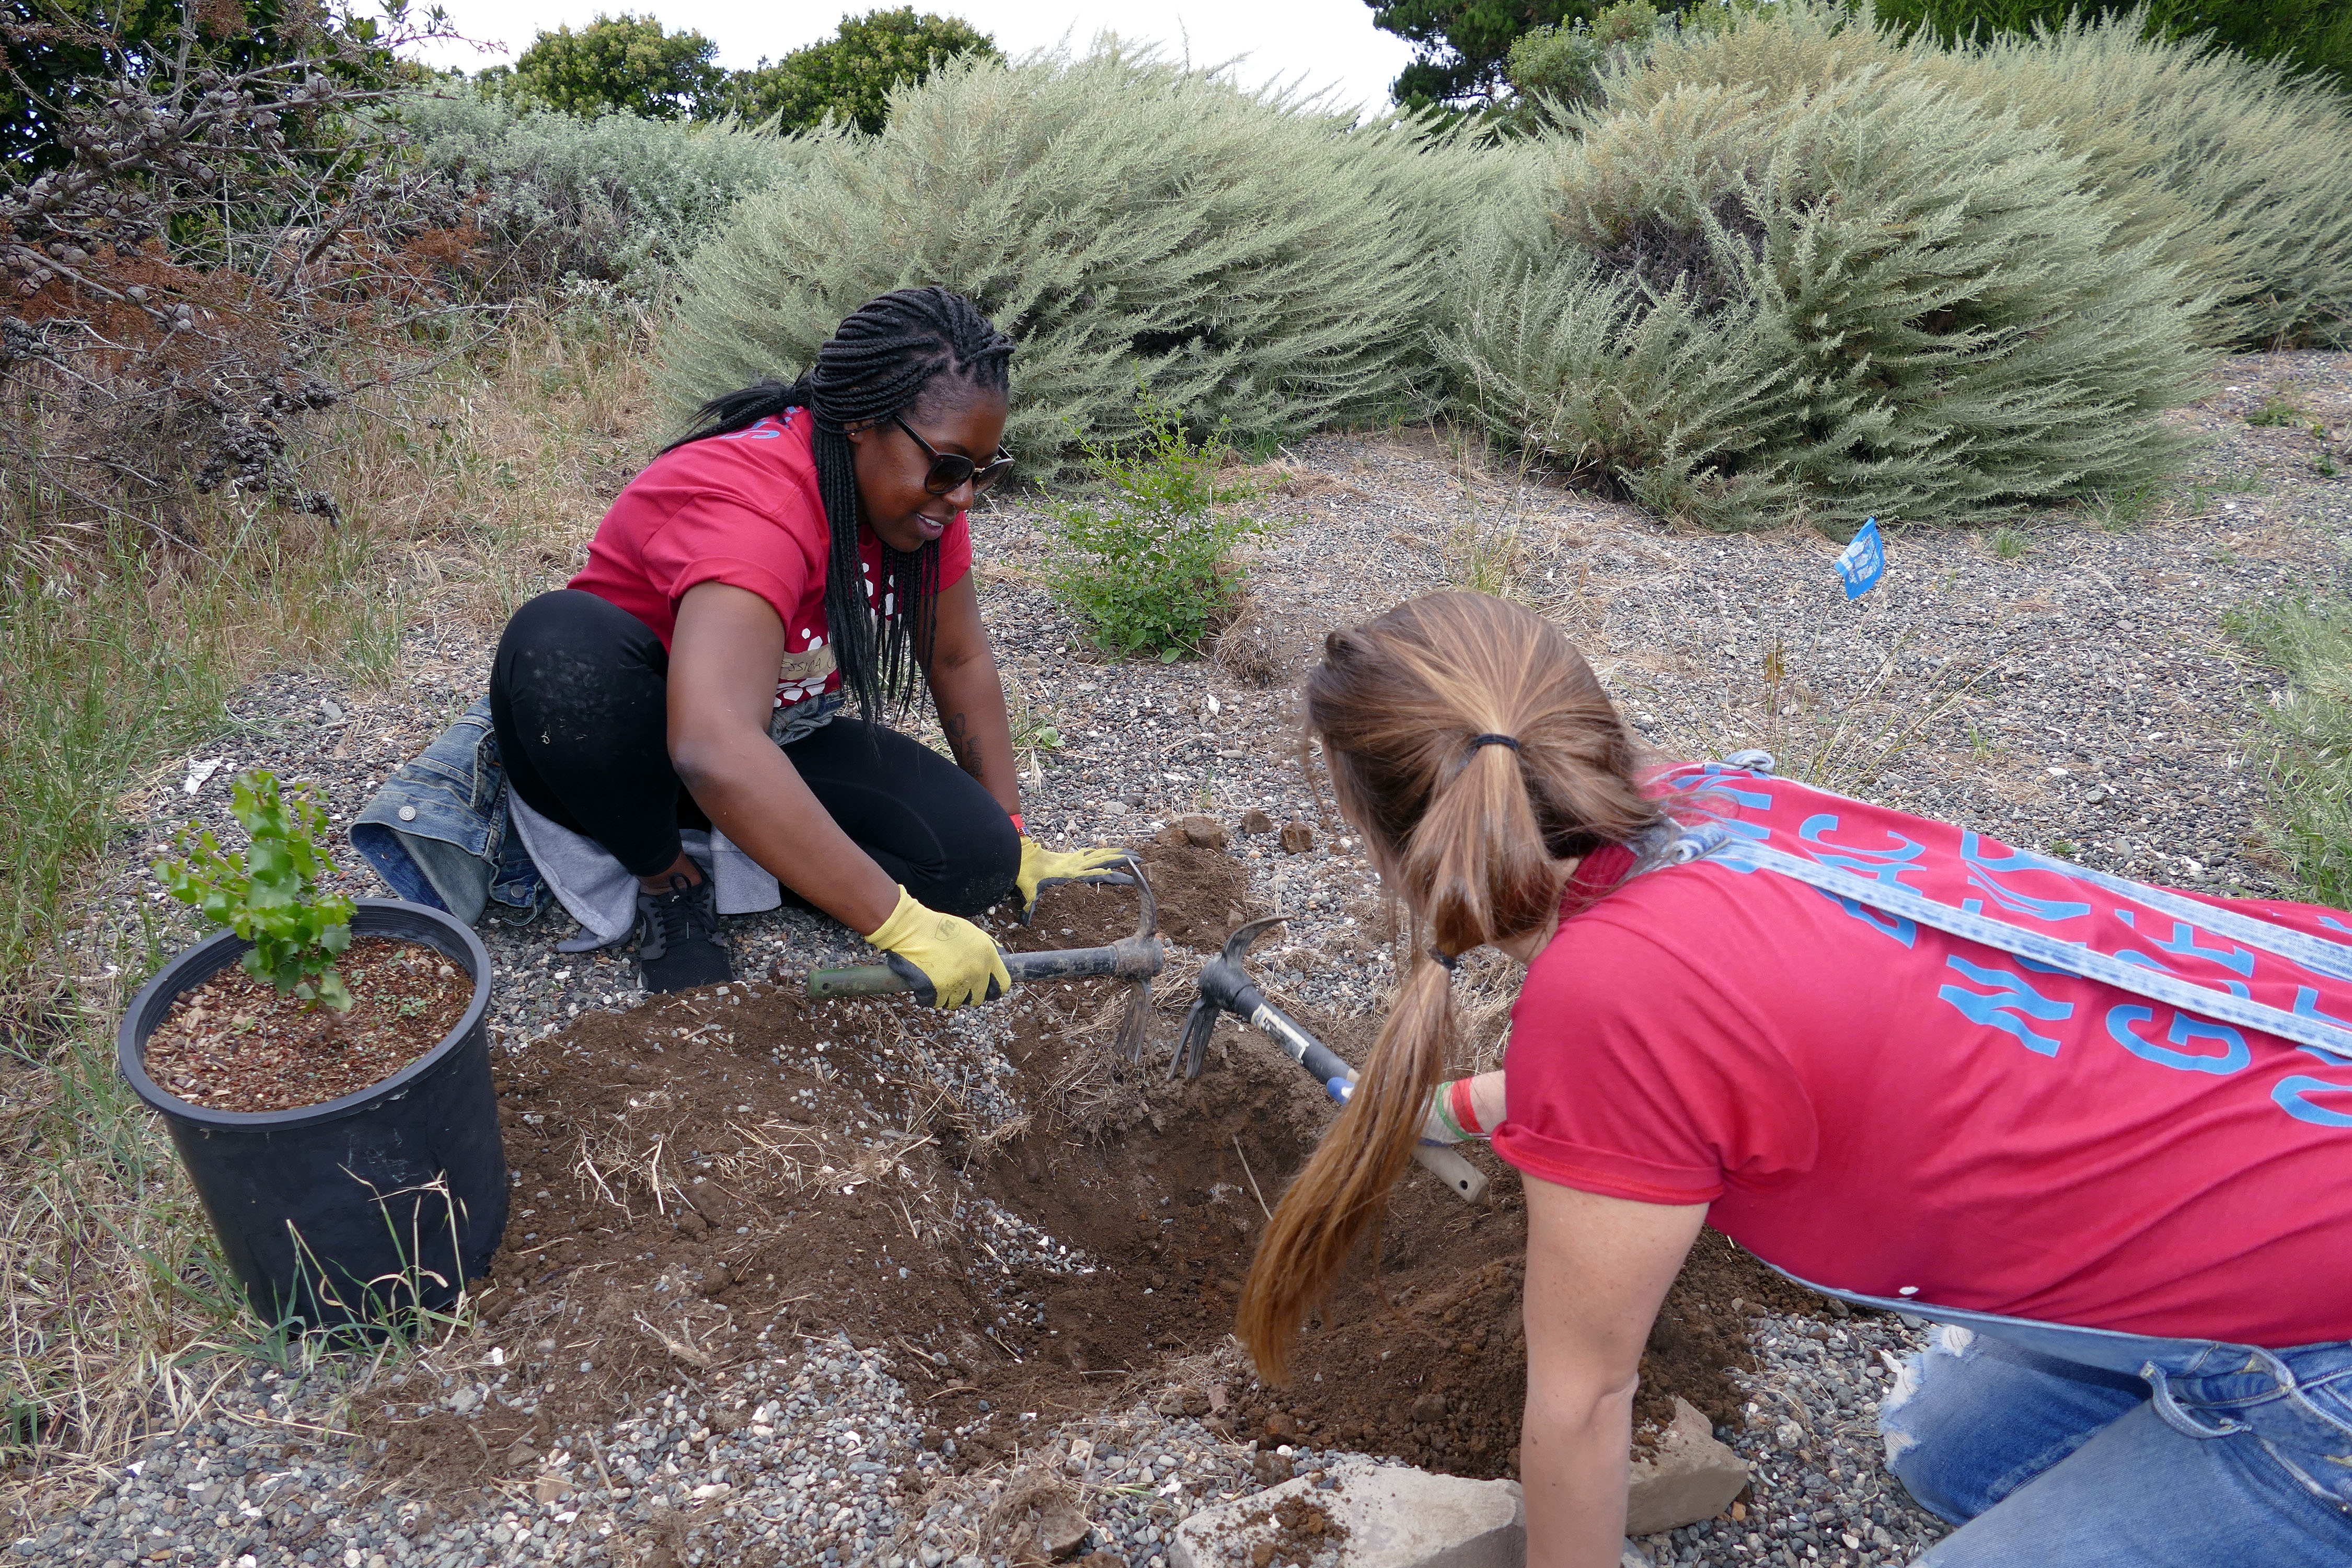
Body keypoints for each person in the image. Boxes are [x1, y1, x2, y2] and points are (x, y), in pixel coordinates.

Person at [1237, 592, 2352, 1568]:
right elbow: (1693, 1071)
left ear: (1383, 835)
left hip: (2326, 1337)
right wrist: (1468, 1105)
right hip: (2297, 1076)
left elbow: (1581, 1404)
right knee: (1941, 1456)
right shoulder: (1706, 808)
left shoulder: (1611, 994)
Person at [361, 286, 1126, 995]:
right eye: (949, 466)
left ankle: (753, 835)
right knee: (560, 644)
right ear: (860, 421)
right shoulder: (756, 502)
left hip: (769, 728)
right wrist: (898, 924)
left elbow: (958, 656)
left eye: (984, 471)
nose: (962, 496)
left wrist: (1015, 832)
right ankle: (668, 879)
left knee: (978, 860)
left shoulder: (922, 508)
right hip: (612, 740)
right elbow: (712, 745)